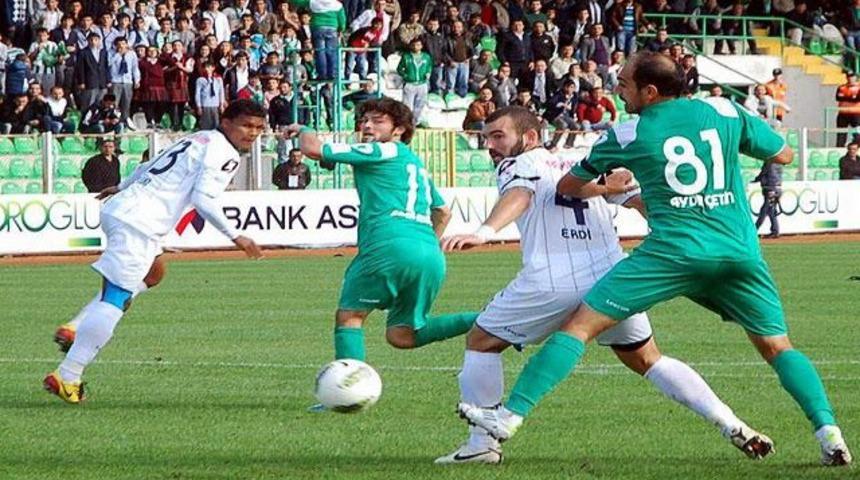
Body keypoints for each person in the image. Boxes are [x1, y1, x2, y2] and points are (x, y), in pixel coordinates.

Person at [458, 51, 853, 467]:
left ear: (649, 91)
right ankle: (829, 433)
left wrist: (607, 185)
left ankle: (509, 416)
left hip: (671, 254)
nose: (619, 91)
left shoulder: (628, 133)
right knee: (777, 347)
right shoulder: (724, 109)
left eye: (624, 84)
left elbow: (569, 186)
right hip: (738, 251)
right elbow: (784, 155)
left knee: (579, 326)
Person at [436, 106, 771, 465]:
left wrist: (484, 232)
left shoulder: (517, 163)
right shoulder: (583, 162)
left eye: (498, 136)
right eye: (486, 137)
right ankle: (730, 423)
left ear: (530, 137)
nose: (490, 145)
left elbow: (519, 195)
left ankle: (482, 445)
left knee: (482, 341)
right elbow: (640, 202)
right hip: (611, 278)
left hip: (554, 278)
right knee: (647, 358)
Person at [44, 100, 266, 404]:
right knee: (115, 298)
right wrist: (235, 235)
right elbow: (203, 198)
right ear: (226, 122)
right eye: (246, 125)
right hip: (140, 222)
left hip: (127, 211)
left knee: (154, 272)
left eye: (258, 128)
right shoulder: (225, 153)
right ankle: (68, 375)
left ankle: (76, 327)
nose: (252, 133)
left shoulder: (199, 137)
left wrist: (121, 186)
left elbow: (148, 165)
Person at [284, 98, 476, 410]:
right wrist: (424, 245)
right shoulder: (415, 163)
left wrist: (304, 127)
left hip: (387, 246)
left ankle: (345, 393)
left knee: (350, 316)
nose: (367, 126)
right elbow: (443, 211)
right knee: (403, 335)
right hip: (429, 253)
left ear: (399, 130)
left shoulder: (382, 150)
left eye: (378, 121)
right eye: (364, 121)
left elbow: (313, 149)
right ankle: (490, 320)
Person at [397, 38, 432, 125]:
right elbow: (399, 69)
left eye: (418, 45)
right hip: (410, 84)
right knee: (407, 105)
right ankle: (406, 123)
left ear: (421, 46)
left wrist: (428, 73)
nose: (416, 47)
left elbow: (429, 66)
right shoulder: (406, 56)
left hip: (422, 83)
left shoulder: (426, 57)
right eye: (414, 45)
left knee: (420, 105)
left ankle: (415, 123)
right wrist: (406, 76)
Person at [753, 161, 782, 238]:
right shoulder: (778, 163)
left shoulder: (769, 163)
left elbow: (763, 174)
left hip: (770, 189)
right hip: (776, 189)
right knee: (771, 211)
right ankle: (775, 231)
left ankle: (754, 230)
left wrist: (756, 179)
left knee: (764, 211)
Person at [836, 72, 860, 147]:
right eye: (848, 77)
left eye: (852, 77)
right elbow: (838, 97)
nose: (850, 78)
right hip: (843, 113)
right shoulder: (842, 87)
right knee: (841, 133)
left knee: (857, 132)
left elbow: (857, 99)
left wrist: (846, 97)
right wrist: (851, 97)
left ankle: (857, 147)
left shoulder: (859, 87)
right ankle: (840, 148)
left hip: (856, 113)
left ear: (856, 78)